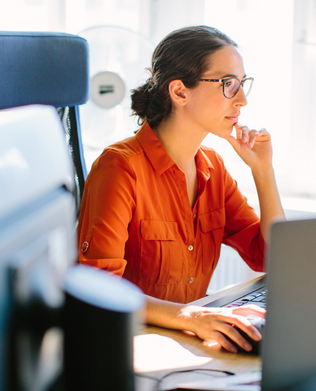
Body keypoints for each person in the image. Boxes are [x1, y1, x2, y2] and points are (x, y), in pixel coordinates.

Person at [77, 25, 285, 353]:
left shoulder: (213, 169)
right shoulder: (120, 168)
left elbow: (271, 257)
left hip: (186, 343)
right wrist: (189, 315)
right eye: (229, 84)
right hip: (128, 348)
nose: (242, 100)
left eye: (243, 84)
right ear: (179, 92)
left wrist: (263, 171)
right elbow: (99, 289)